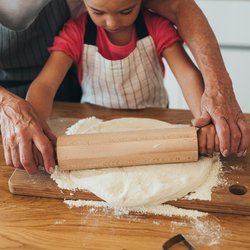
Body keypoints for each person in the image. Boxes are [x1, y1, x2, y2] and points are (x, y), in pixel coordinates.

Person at [1, 0, 249, 175]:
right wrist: (38, 130)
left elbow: (186, 75)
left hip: (155, 120)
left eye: (126, 10)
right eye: (98, 11)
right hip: (94, 124)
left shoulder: (155, 27)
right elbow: (45, 84)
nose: (111, 22)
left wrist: (203, 119)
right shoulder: (76, 32)